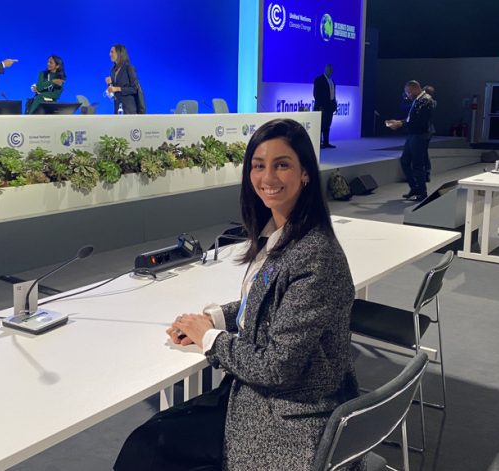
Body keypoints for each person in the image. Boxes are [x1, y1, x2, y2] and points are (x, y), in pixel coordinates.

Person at [115, 119, 361, 471]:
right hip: (263, 394)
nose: (268, 178)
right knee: (148, 440)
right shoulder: (282, 233)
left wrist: (211, 339)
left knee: (145, 450)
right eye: (258, 166)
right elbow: (270, 305)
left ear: (305, 173)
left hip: (288, 413)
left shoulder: (315, 254)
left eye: (282, 165)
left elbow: (277, 368)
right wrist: (214, 320)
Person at [386, 80, 434, 201]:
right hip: (414, 135)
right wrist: (400, 122)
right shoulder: (418, 100)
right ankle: (415, 187)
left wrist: (400, 124)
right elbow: (411, 118)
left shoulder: (425, 101)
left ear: (414, 89)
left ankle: (422, 192)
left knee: (417, 165)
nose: (407, 95)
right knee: (404, 161)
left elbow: (418, 121)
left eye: (408, 92)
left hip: (419, 135)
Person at [106, 44, 139, 114]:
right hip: (117, 108)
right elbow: (113, 92)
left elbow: (135, 89)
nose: (110, 54)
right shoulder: (112, 70)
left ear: (119, 53)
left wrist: (118, 88)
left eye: (112, 52)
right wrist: (109, 85)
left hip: (129, 110)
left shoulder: (129, 68)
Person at [313, 64, 338, 148]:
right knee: (320, 125)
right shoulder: (319, 80)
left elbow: (333, 94)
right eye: (329, 69)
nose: (330, 71)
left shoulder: (332, 81)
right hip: (321, 107)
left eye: (331, 70)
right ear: (325, 69)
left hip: (330, 106)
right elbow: (316, 94)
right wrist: (320, 106)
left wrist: (335, 105)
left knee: (327, 125)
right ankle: (319, 143)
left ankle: (326, 142)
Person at [422, 85, 437, 181]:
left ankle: (426, 172)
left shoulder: (431, 102)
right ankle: (426, 172)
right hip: (428, 130)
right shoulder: (431, 102)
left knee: (423, 152)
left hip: (426, 131)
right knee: (423, 152)